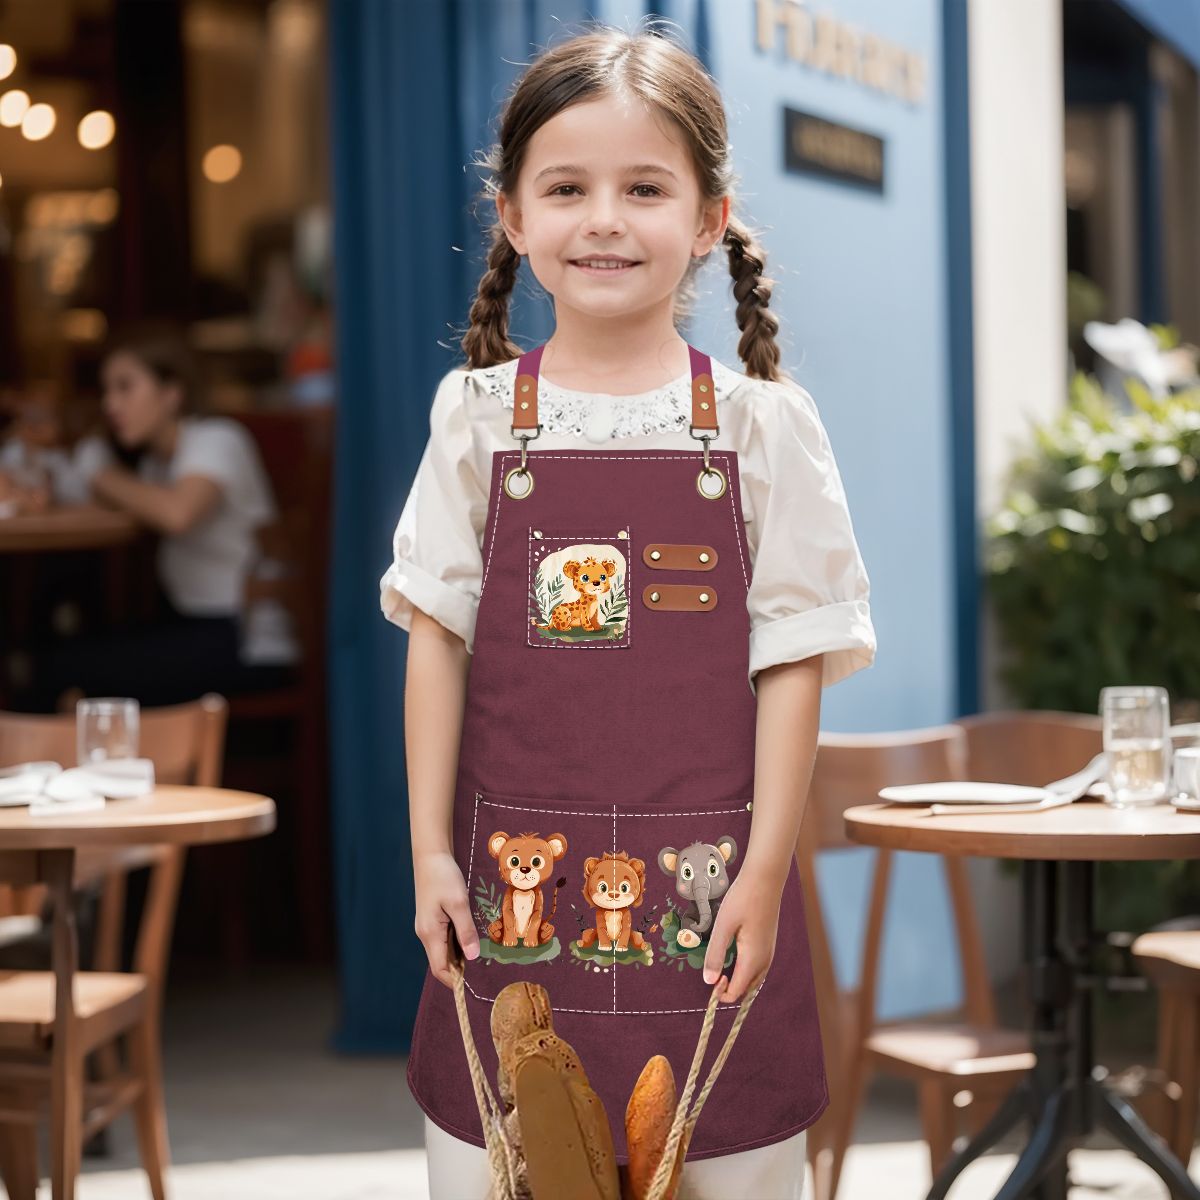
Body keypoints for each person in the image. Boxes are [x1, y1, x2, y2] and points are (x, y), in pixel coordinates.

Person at [380, 23, 876, 1200]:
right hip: (508, 905)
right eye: (567, 188)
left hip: (716, 912)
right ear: (514, 217)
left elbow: (793, 663)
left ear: (707, 219)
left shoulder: (763, 426)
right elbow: (436, 642)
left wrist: (762, 876)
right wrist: (428, 858)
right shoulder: (477, 416)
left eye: (644, 187)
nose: (604, 218)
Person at [8, 321, 297, 711]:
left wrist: (100, 472)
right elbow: (84, 496)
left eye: (125, 387)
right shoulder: (155, 467)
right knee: (49, 639)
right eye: (107, 390)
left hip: (247, 638)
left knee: (59, 667)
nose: (111, 404)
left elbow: (177, 513)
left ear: (171, 393)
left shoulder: (217, 439)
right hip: (194, 626)